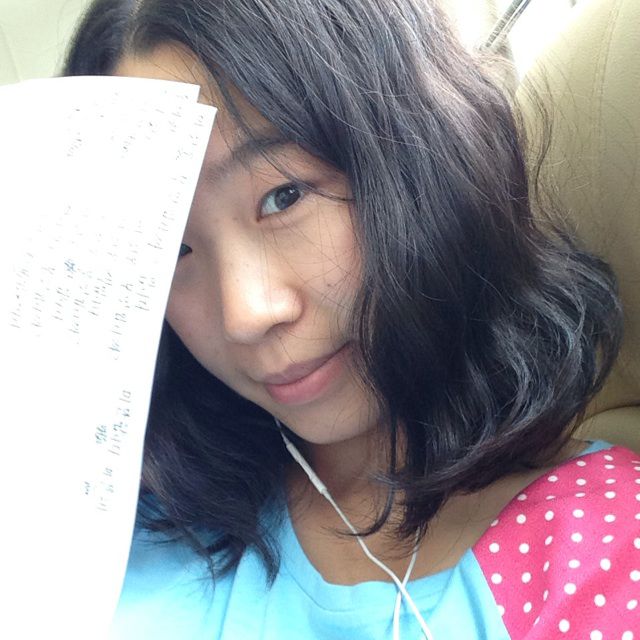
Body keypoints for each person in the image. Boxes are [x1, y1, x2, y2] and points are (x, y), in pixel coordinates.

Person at [63, 0, 640, 638]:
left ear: (422, 161)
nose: (246, 314)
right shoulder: (108, 518)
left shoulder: (602, 550)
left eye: (284, 196)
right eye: (171, 248)